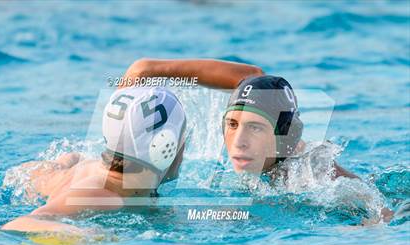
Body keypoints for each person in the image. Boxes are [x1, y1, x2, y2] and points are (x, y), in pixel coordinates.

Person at [120, 58, 356, 178]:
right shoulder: (263, 111)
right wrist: (147, 69)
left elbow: (381, 212)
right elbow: (253, 79)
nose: (238, 142)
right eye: (232, 124)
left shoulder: (311, 172)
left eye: (254, 128)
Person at [1, 86, 187, 233]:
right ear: (164, 148)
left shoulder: (138, 187)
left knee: (73, 160)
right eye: (182, 138)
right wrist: (76, 233)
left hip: (81, 167)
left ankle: (69, 161)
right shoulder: (102, 193)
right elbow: (21, 223)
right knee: (62, 169)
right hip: (35, 177)